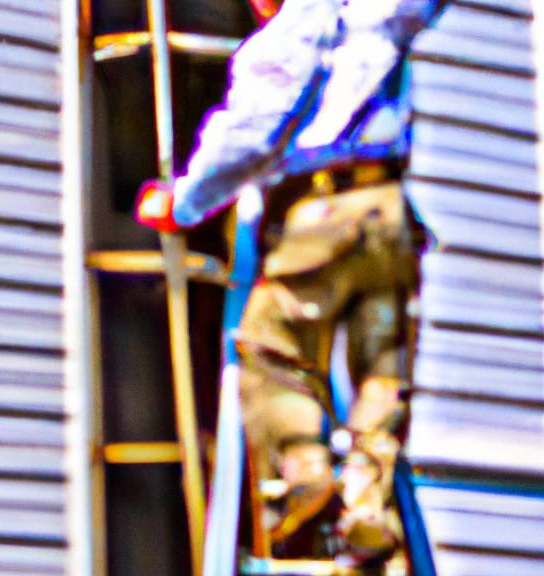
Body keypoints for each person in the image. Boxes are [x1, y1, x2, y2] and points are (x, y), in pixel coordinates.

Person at [162, 0, 438, 565]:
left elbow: (250, 136)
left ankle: (300, 472)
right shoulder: (374, 14)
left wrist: (184, 203)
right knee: (379, 374)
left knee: (270, 346)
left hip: (322, 206)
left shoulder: (288, 35)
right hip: (388, 212)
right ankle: (366, 513)